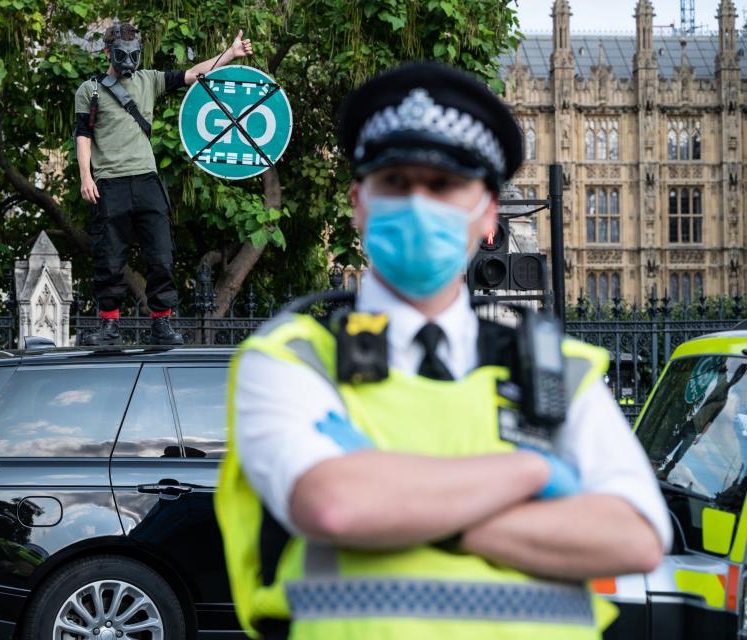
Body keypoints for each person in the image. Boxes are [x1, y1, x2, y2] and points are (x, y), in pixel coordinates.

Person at [215, 62, 671, 640]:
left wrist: (401, 502)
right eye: (397, 183)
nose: (419, 203)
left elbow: (633, 537)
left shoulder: (560, 371)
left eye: (444, 185)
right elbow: (336, 506)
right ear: (359, 203)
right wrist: (531, 471)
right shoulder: (292, 358)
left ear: (487, 214)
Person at [75, 22, 254, 346]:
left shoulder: (149, 80)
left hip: (147, 179)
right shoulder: (91, 90)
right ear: (107, 52)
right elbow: (83, 135)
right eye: (121, 54)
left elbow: (193, 74)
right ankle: (109, 327)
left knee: (161, 255)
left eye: (133, 54)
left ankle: (161, 324)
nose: (128, 61)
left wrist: (231, 53)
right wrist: (86, 177)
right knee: (109, 257)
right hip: (109, 183)